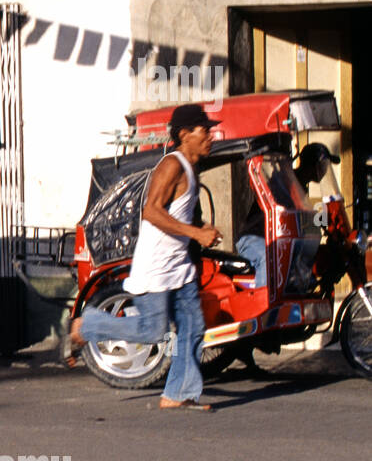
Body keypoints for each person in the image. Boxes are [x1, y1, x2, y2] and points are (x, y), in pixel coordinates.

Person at [70, 104, 223, 411]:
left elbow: (176, 213)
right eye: (204, 130)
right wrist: (195, 234)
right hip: (156, 265)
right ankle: (88, 326)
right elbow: (151, 211)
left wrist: (199, 228)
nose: (211, 136)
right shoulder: (172, 165)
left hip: (179, 265)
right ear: (184, 135)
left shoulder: (192, 168)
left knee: (193, 327)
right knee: (153, 331)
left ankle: (178, 394)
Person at [235, 142, 339, 287]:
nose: (324, 170)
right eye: (322, 166)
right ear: (311, 166)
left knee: (304, 265)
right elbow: (289, 212)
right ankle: (268, 307)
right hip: (255, 238)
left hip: (276, 241)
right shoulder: (285, 182)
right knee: (269, 260)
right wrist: (312, 217)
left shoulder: (301, 186)